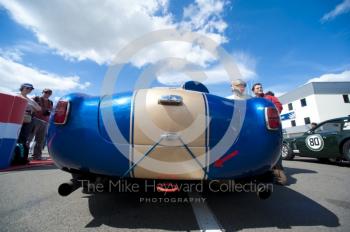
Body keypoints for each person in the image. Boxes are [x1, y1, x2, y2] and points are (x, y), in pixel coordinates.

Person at [252, 83, 287, 185]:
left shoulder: (270, 97)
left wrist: (272, 115)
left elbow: (279, 106)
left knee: (275, 151)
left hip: (272, 128)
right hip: (258, 130)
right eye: (257, 88)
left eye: (261, 87)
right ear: (253, 90)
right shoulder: (252, 101)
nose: (260, 89)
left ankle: (280, 175)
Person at [17, 83, 41, 164]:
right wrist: (30, 107)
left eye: (31, 89)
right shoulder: (16, 96)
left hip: (28, 119)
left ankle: (22, 158)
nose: (29, 90)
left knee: (24, 138)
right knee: (16, 137)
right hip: (17, 118)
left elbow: (39, 108)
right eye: (27, 88)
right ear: (22, 88)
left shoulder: (30, 99)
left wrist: (30, 107)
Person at [28, 89, 53, 160]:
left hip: (45, 122)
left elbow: (50, 111)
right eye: (46, 92)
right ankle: (23, 156)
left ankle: (37, 156)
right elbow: (29, 104)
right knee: (29, 138)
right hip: (35, 120)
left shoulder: (50, 102)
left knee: (40, 140)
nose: (47, 94)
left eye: (49, 93)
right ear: (42, 92)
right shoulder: (36, 98)